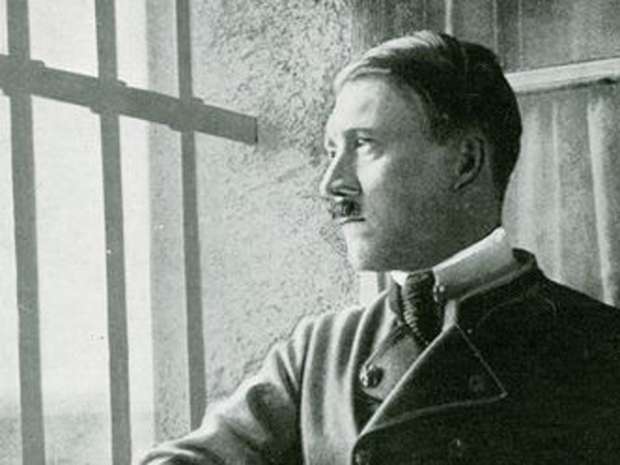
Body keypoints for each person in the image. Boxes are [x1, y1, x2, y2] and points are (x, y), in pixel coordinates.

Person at [139, 30, 620, 465]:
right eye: (332, 151)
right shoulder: (318, 352)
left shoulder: (600, 351)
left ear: (465, 162)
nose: (332, 183)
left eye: (364, 144)